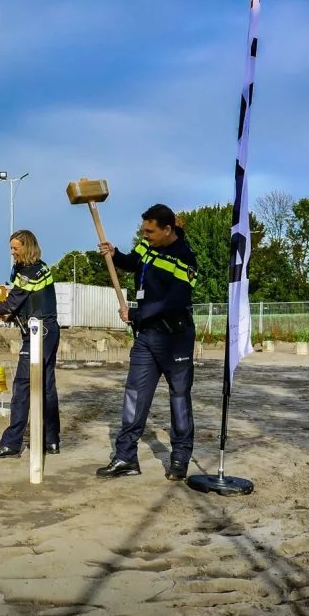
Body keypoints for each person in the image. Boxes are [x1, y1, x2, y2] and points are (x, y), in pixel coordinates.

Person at [95, 204, 197, 481]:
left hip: (175, 338)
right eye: (144, 231)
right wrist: (115, 255)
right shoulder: (147, 246)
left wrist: (136, 314)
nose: (145, 235)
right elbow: (133, 262)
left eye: (150, 231)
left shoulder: (185, 257)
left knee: (179, 398)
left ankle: (180, 458)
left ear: (168, 229)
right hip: (146, 337)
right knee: (134, 395)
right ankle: (126, 457)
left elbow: (175, 300)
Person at [0, 230, 61, 459]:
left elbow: (9, 305)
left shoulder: (29, 273)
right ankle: (51, 439)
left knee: (22, 387)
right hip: (48, 329)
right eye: (11, 248)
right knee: (47, 387)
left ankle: (11, 443)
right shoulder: (40, 267)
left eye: (15, 248)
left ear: (27, 247)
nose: (12, 252)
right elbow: (28, 302)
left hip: (38, 333)